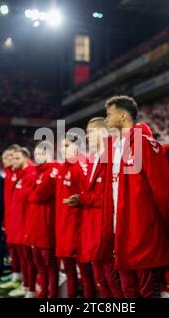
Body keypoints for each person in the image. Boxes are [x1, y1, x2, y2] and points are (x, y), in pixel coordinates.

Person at [104, 95, 169, 298]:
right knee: (128, 289)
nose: (106, 119)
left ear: (123, 116)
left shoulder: (143, 143)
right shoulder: (117, 148)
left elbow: (162, 192)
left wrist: (166, 229)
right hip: (121, 230)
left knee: (147, 290)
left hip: (142, 233)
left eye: (109, 114)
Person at [65, 117, 124, 298]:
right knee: (101, 279)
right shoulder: (95, 158)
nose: (87, 137)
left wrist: (82, 198)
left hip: (105, 229)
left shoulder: (112, 156)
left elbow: (108, 198)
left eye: (90, 132)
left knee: (112, 281)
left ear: (103, 132)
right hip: (94, 230)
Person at [56, 133, 95, 298]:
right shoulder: (62, 168)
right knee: (70, 272)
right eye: (61, 147)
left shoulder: (82, 165)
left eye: (67, 146)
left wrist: (80, 199)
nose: (62, 150)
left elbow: (89, 196)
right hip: (64, 230)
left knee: (86, 275)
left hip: (78, 231)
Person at [25, 141, 59, 298]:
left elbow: (39, 195)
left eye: (42, 153)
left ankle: (52, 296)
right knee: (41, 267)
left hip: (46, 228)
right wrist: (32, 194)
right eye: (36, 153)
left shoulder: (53, 170)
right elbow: (31, 195)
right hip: (35, 227)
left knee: (50, 267)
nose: (38, 156)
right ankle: (42, 294)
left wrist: (32, 194)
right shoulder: (36, 172)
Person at [6, 147, 37, 298]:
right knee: (22, 258)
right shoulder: (19, 174)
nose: (13, 161)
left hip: (25, 225)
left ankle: (30, 288)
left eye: (17, 158)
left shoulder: (31, 175)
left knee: (28, 259)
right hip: (16, 224)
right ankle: (25, 285)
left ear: (25, 158)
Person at [0, 145, 23, 289]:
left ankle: (24, 281)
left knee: (24, 254)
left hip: (20, 221)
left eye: (10, 157)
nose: (7, 160)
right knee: (13, 250)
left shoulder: (22, 173)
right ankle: (16, 274)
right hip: (10, 219)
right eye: (4, 157)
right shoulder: (9, 173)